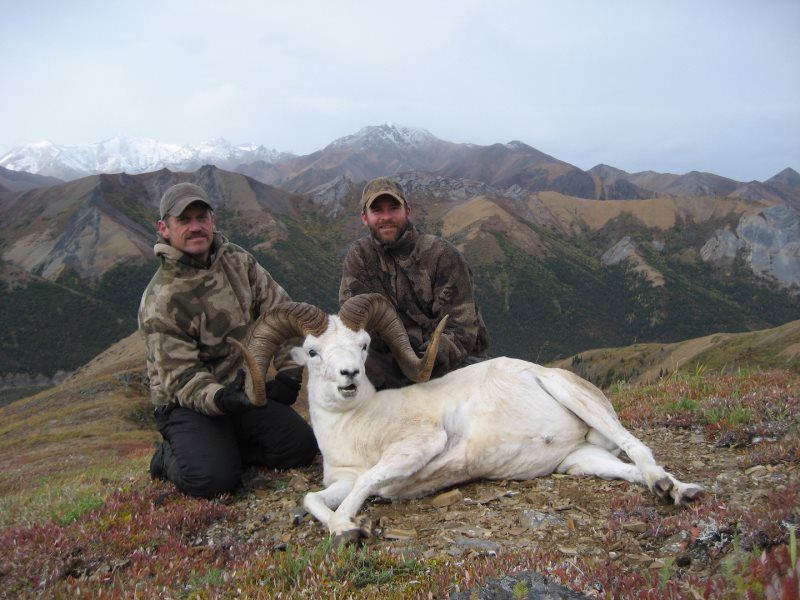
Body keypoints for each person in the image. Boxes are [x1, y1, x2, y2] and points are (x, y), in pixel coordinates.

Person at [139, 182, 317, 499]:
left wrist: (290, 371)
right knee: (212, 481)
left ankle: (227, 445)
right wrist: (222, 399)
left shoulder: (238, 261)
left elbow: (281, 313)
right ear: (165, 229)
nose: (195, 227)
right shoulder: (161, 299)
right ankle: (166, 459)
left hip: (242, 392)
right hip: (187, 403)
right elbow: (181, 378)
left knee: (300, 449)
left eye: (201, 217)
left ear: (213, 220)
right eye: (184, 220)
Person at [339, 177, 489, 389]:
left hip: (451, 361)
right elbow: (353, 322)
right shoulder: (359, 257)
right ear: (365, 217)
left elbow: (461, 328)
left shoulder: (442, 255)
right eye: (377, 211)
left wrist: (425, 361)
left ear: (407, 211)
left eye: (393, 208)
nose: (386, 217)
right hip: (392, 362)